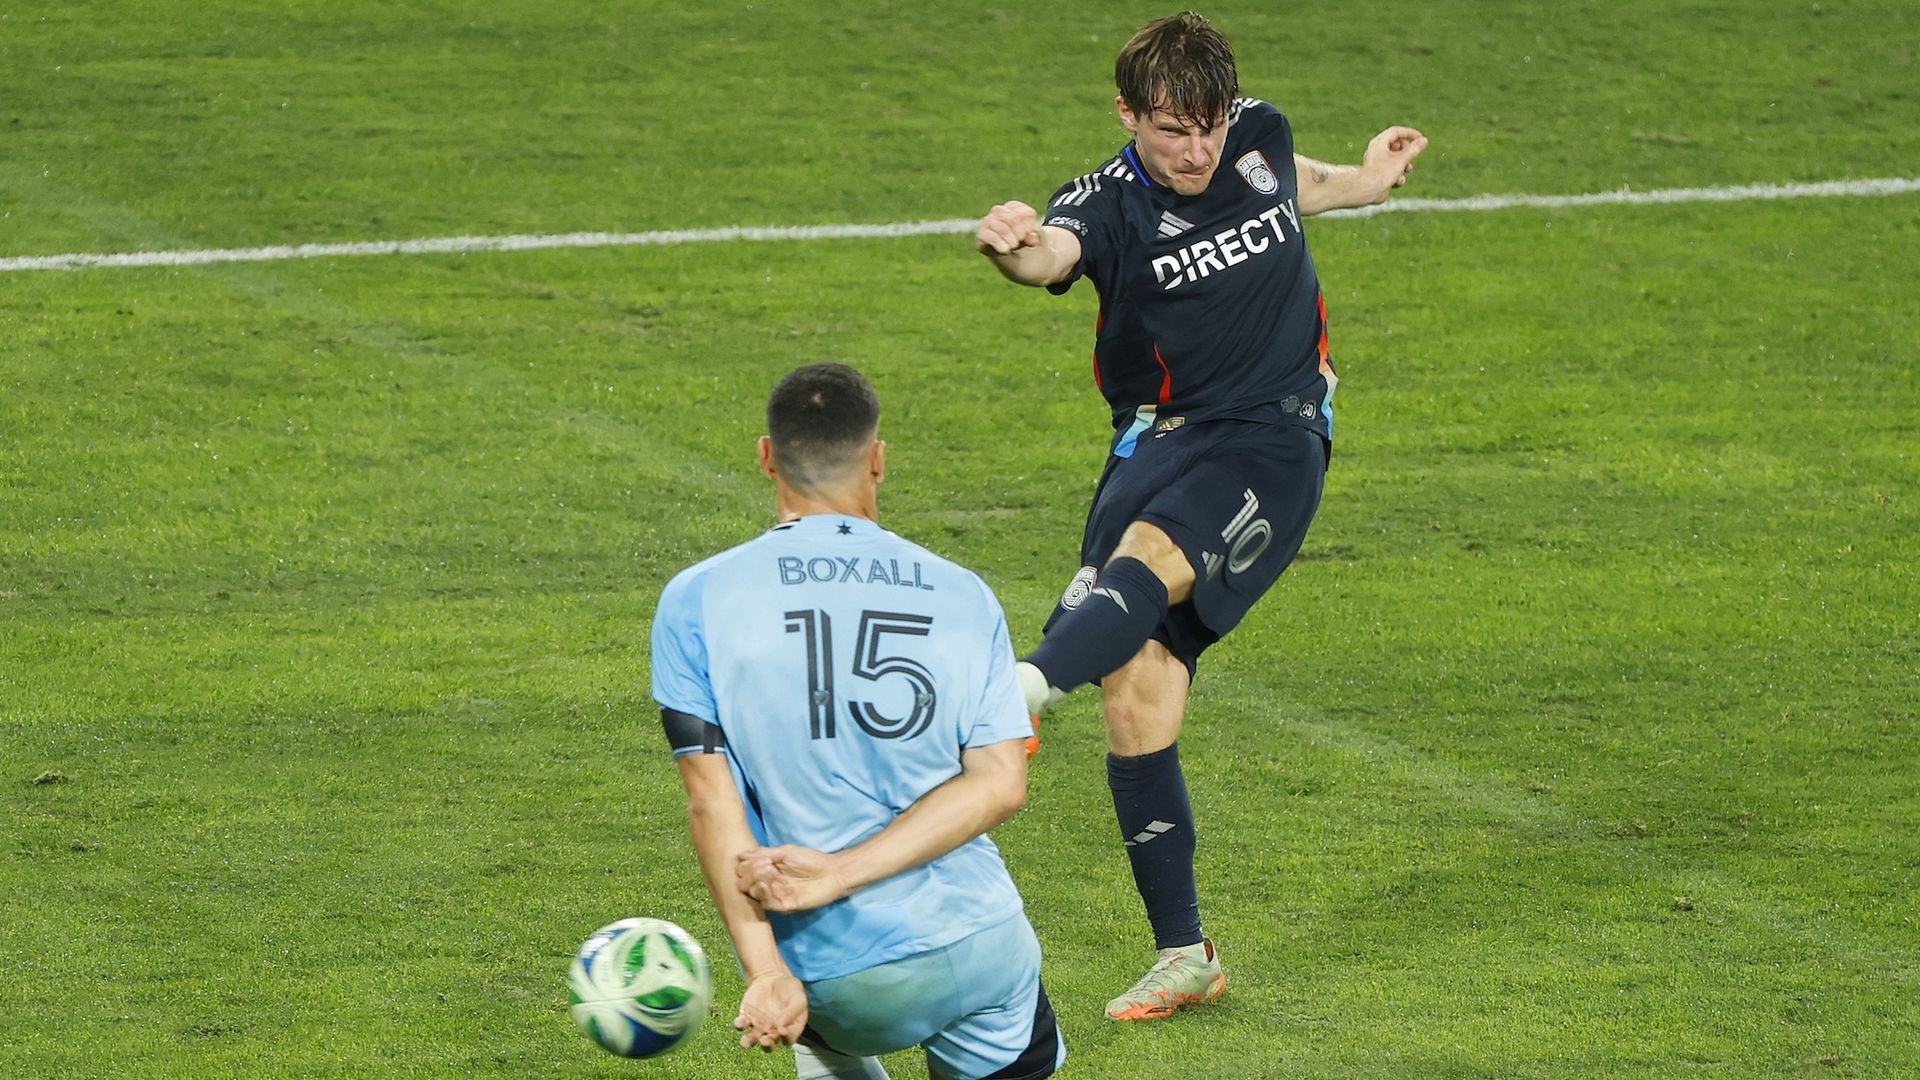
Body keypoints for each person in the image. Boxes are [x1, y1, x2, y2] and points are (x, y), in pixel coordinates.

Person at [972, 11, 1429, 1022]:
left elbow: (1291, 179)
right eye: (1174, 129)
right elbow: (1054, 255)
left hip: (1275, 430)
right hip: (1159, 439)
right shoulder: (1107, 204)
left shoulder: (1254, 134)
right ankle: (1187, 954)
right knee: (1137, 695)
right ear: (1128, 114)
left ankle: (1021, 688)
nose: (1198, 149)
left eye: (1211, 125)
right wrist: (1013, 249)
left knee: (1150, 560)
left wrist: (1366, 178)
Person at [653, 363, 1065, 1080]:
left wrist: (766, 970)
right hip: (979, 943)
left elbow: (710, 801)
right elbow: (1000, 785)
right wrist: (845, 872)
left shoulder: (696, 600)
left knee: (827, 1032)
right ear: (877, 458)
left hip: (836, 978)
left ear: (766, 457)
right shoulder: (963, 593)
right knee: (1004, 1005)